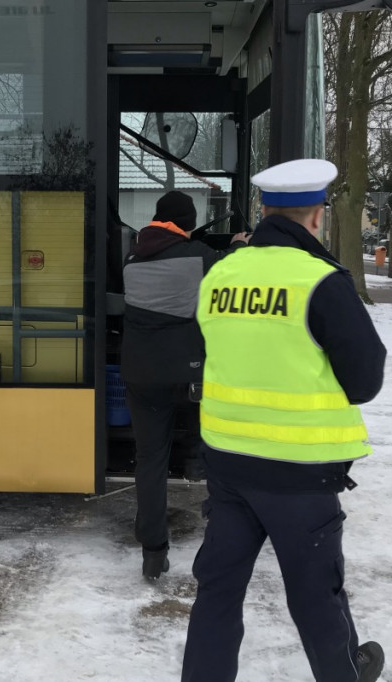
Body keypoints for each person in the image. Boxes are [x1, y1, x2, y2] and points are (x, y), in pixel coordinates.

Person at [181, 160, 388, 682]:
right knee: (316, 595)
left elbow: (210, 348)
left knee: (218, 592)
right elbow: (365, 379)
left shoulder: (220, 274)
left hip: (227, 465)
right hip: (300, 473)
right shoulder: (320, 280)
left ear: (264, 212)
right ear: (315, 217)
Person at [120, 190, 249, 580]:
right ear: (187, 224)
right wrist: (238, 246)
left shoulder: (131, 258)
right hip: (189, 373)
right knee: (213, 451)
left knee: (150, 461)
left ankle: (153, 552)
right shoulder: (200, 258)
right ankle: (222, 535)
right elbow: (227, 270)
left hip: (141, 375)